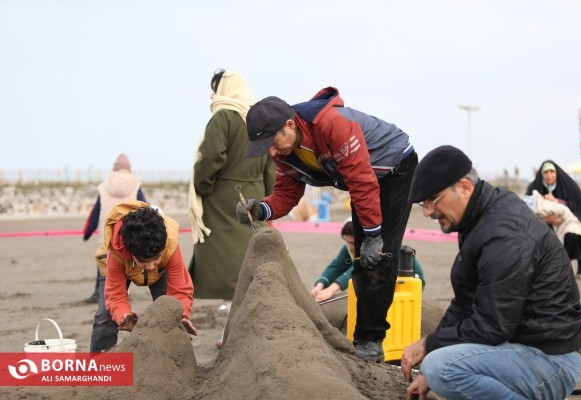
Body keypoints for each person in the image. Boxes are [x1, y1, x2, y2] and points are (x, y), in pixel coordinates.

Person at [235, 87, 418, 362]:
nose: (272, 152)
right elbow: (287, 194)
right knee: (363, 256)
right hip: (364, 180)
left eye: (273, 142)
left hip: (395, 168)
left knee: (380, 253)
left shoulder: (332, 125)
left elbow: (361, 181)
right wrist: (261, 209)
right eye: (266, 148)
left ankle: (370, 341)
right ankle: (365, 338)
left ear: (289, 125)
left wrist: (373, 235)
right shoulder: (283, 152)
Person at [401, 145, 581, 400]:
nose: (428, 211)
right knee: (435, 364)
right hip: (523, 347)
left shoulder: (504, 233)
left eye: (434, 200)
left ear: (465, 187)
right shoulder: (480, 219)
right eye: (423, 203)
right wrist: (433, 351)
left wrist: (429, 347)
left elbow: (491, 326)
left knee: (440, 368)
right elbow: (465, 303)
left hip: (550, 361)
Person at [188, 69, 274, 301]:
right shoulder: (258, 120)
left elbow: (212, 157)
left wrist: (203, 186)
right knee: (252, 251)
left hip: (223, 196)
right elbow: (270, 164)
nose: (211, 96)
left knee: (225, 260)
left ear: (224, 89)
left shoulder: (223, 117)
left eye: (214, 89)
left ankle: (232, 322)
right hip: (255, 192)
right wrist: (269, 199)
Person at [90, 201, 196, 352]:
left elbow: (181, 290)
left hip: (162, 267)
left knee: (171, 313)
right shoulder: (116, 251)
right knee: (104, 317)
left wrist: (182, 315)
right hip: (122, 264)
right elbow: (115, 296)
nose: (152, 266)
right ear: (131, 254)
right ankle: (100, 366)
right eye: (145, 262)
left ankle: (171, 361)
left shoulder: (170, 245)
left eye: (156, 258)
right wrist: (123, 315)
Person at [310, 218, 426, 303]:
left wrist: (331, 290)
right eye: (348, 242)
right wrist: (319, 286)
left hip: (409, 280)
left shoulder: (375, 247)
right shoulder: (349, 248)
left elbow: (356, 269)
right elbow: (336, 266)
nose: (351, 246)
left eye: (353, 242)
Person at [82, 154, 146, 303]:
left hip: (108, 230)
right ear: (129, 169)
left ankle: (99, 291)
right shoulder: (135, 185)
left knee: (104, 260)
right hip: (129, 229)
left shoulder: (104, 186)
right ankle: (123, 292)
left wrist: (88, 232)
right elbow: (144, 206)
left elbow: (96, 211)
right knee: (126, 260)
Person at [527, 160, 581, 279]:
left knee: (577, 232)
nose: (549, 175)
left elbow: (579, 205)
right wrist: (547, 220)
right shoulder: (534, 188)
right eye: (546, 172)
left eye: (551, 172)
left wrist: (557, 201)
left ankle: (580, 268)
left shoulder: (569, 186)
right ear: (541, 174)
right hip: (545, 223)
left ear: (556, 173)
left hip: (568, 220)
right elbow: (528, 211)